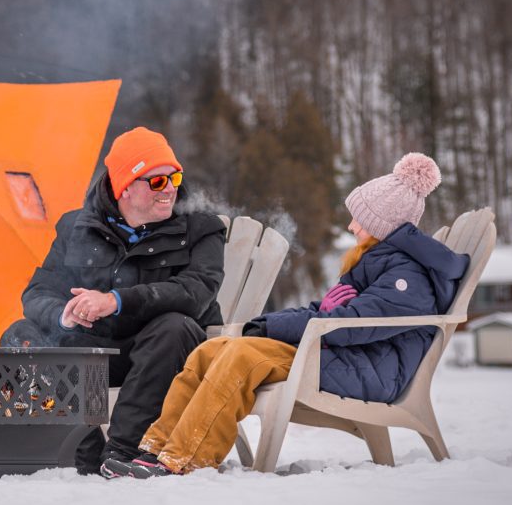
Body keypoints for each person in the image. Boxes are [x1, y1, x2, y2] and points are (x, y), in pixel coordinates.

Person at [101, 152, 470, 478]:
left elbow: (355, 325)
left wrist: (275, 327)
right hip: (336, 353)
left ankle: (183, 460)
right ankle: (153, 451)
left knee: (242, 357)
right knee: (211, 352)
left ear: (380, 226)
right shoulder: (379, 264)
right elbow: (328, 314)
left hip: (368, 368)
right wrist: (270, 324)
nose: (351, 226)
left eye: (358, 219)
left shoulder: (406, 275)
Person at [0, 126, 226, 474]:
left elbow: (195, 293)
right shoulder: (76, 228)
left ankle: (123, 451)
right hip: (97, 351)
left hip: (166, 355)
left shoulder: (200, 229)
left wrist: (116, 300)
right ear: (124, 187)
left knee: (174, 327)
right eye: (156, 182)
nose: (169, 190)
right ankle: (82, 449)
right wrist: (65, 315)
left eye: (174, 177)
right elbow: (37, 292)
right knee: (21, 334)